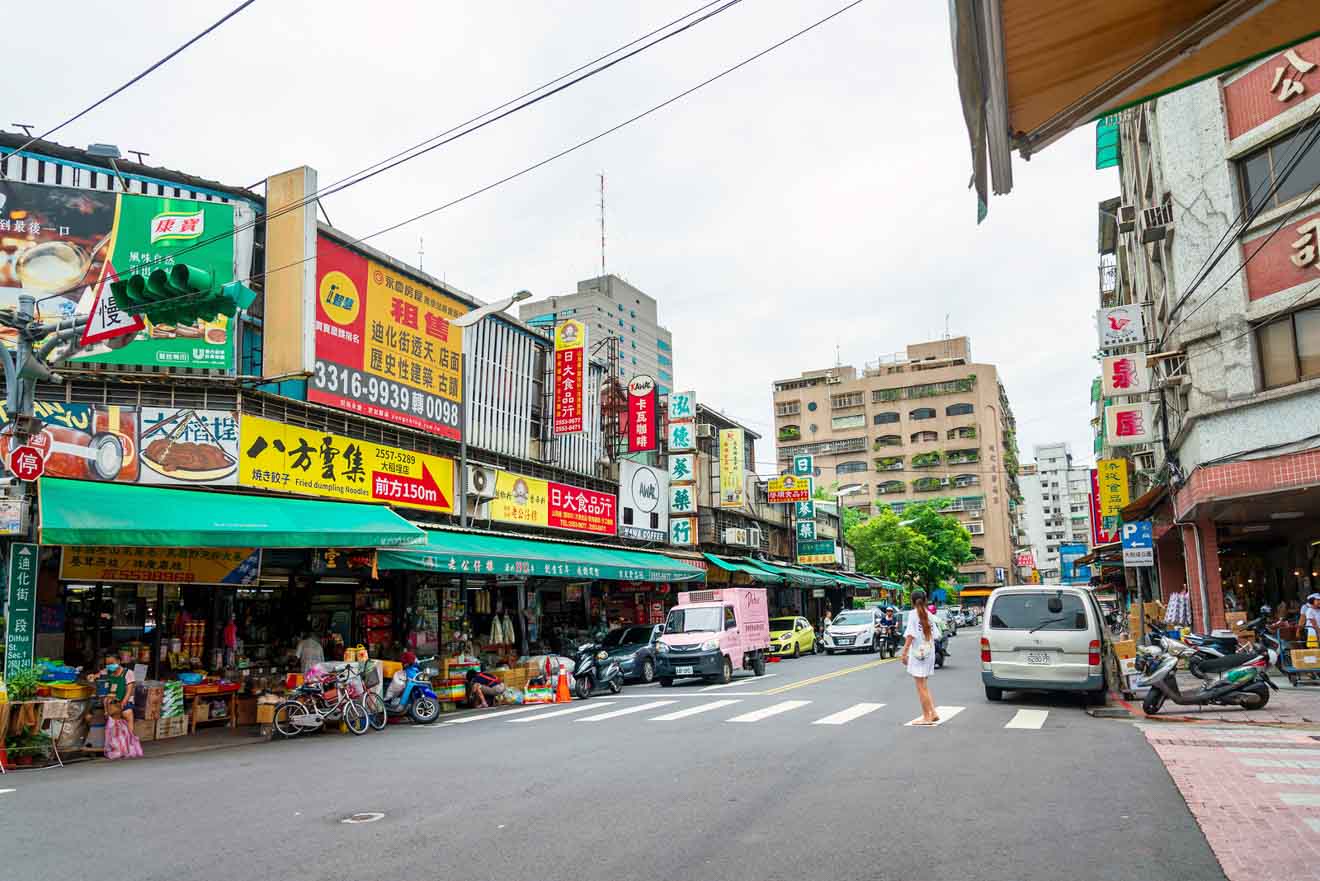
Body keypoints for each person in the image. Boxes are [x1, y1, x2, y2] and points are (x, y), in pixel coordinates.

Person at [901, 589, 939, 725]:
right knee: (924, 685)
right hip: (929, 653)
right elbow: (936, 635)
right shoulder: (929, 614)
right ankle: (933, 713)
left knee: (920, 687)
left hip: (918, 654)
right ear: (925, 600)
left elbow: (911, 635)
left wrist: (904, 652)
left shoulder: (913, 614)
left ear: (912, 601)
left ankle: (926, 717)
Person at [88, 654, 136, 729]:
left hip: (125, 700)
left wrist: (124, 701)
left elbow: (129, 690)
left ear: (118, 661)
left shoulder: (128, 673)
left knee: (127, 714)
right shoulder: (107, 671)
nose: (109, 666)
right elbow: (97, 675)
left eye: (111, 663)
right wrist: (92, 676)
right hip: (111, 700)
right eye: (107, 664)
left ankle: (129, 737)